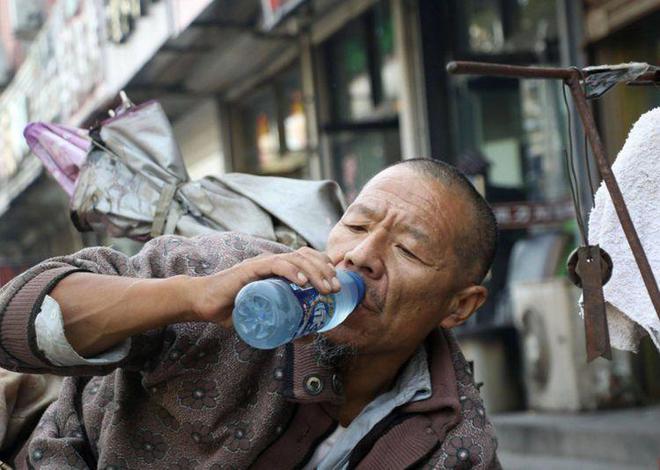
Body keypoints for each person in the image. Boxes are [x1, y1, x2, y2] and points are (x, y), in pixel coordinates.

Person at [0, 158, 500, 469]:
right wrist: (192, 296)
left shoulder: (456, 443)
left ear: (460, 306)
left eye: (408, 253)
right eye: (356, 225)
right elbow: (14, 321)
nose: (360, 256)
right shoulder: (227, 273)